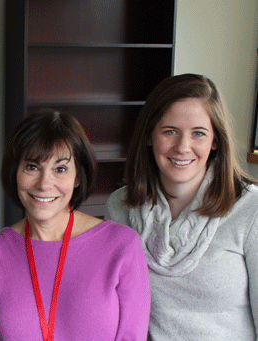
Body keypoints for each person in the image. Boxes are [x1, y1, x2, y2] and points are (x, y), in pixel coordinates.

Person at [106, 73, 258, 340]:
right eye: (170, 131)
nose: (183, 147)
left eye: (198, 133)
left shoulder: (251, 209)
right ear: (150, 135)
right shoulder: (119, 207)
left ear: (215, 141)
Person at [0, 109, 150, 340]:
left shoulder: (122, 245)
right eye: (32, 166)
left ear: (78, 176)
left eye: (60, 169)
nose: (44, 183)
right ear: (15, 172)